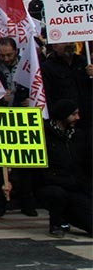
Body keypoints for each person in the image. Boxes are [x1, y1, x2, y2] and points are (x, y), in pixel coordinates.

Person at [35, 100, 91, 235]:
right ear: (63, 115)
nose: (77, 118)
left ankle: (70, 217)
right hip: (53, 185)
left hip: (75, 186)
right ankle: (57, 222)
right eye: (74, 114)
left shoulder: (78, 136)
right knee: (56, 195)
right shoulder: (44, 135)